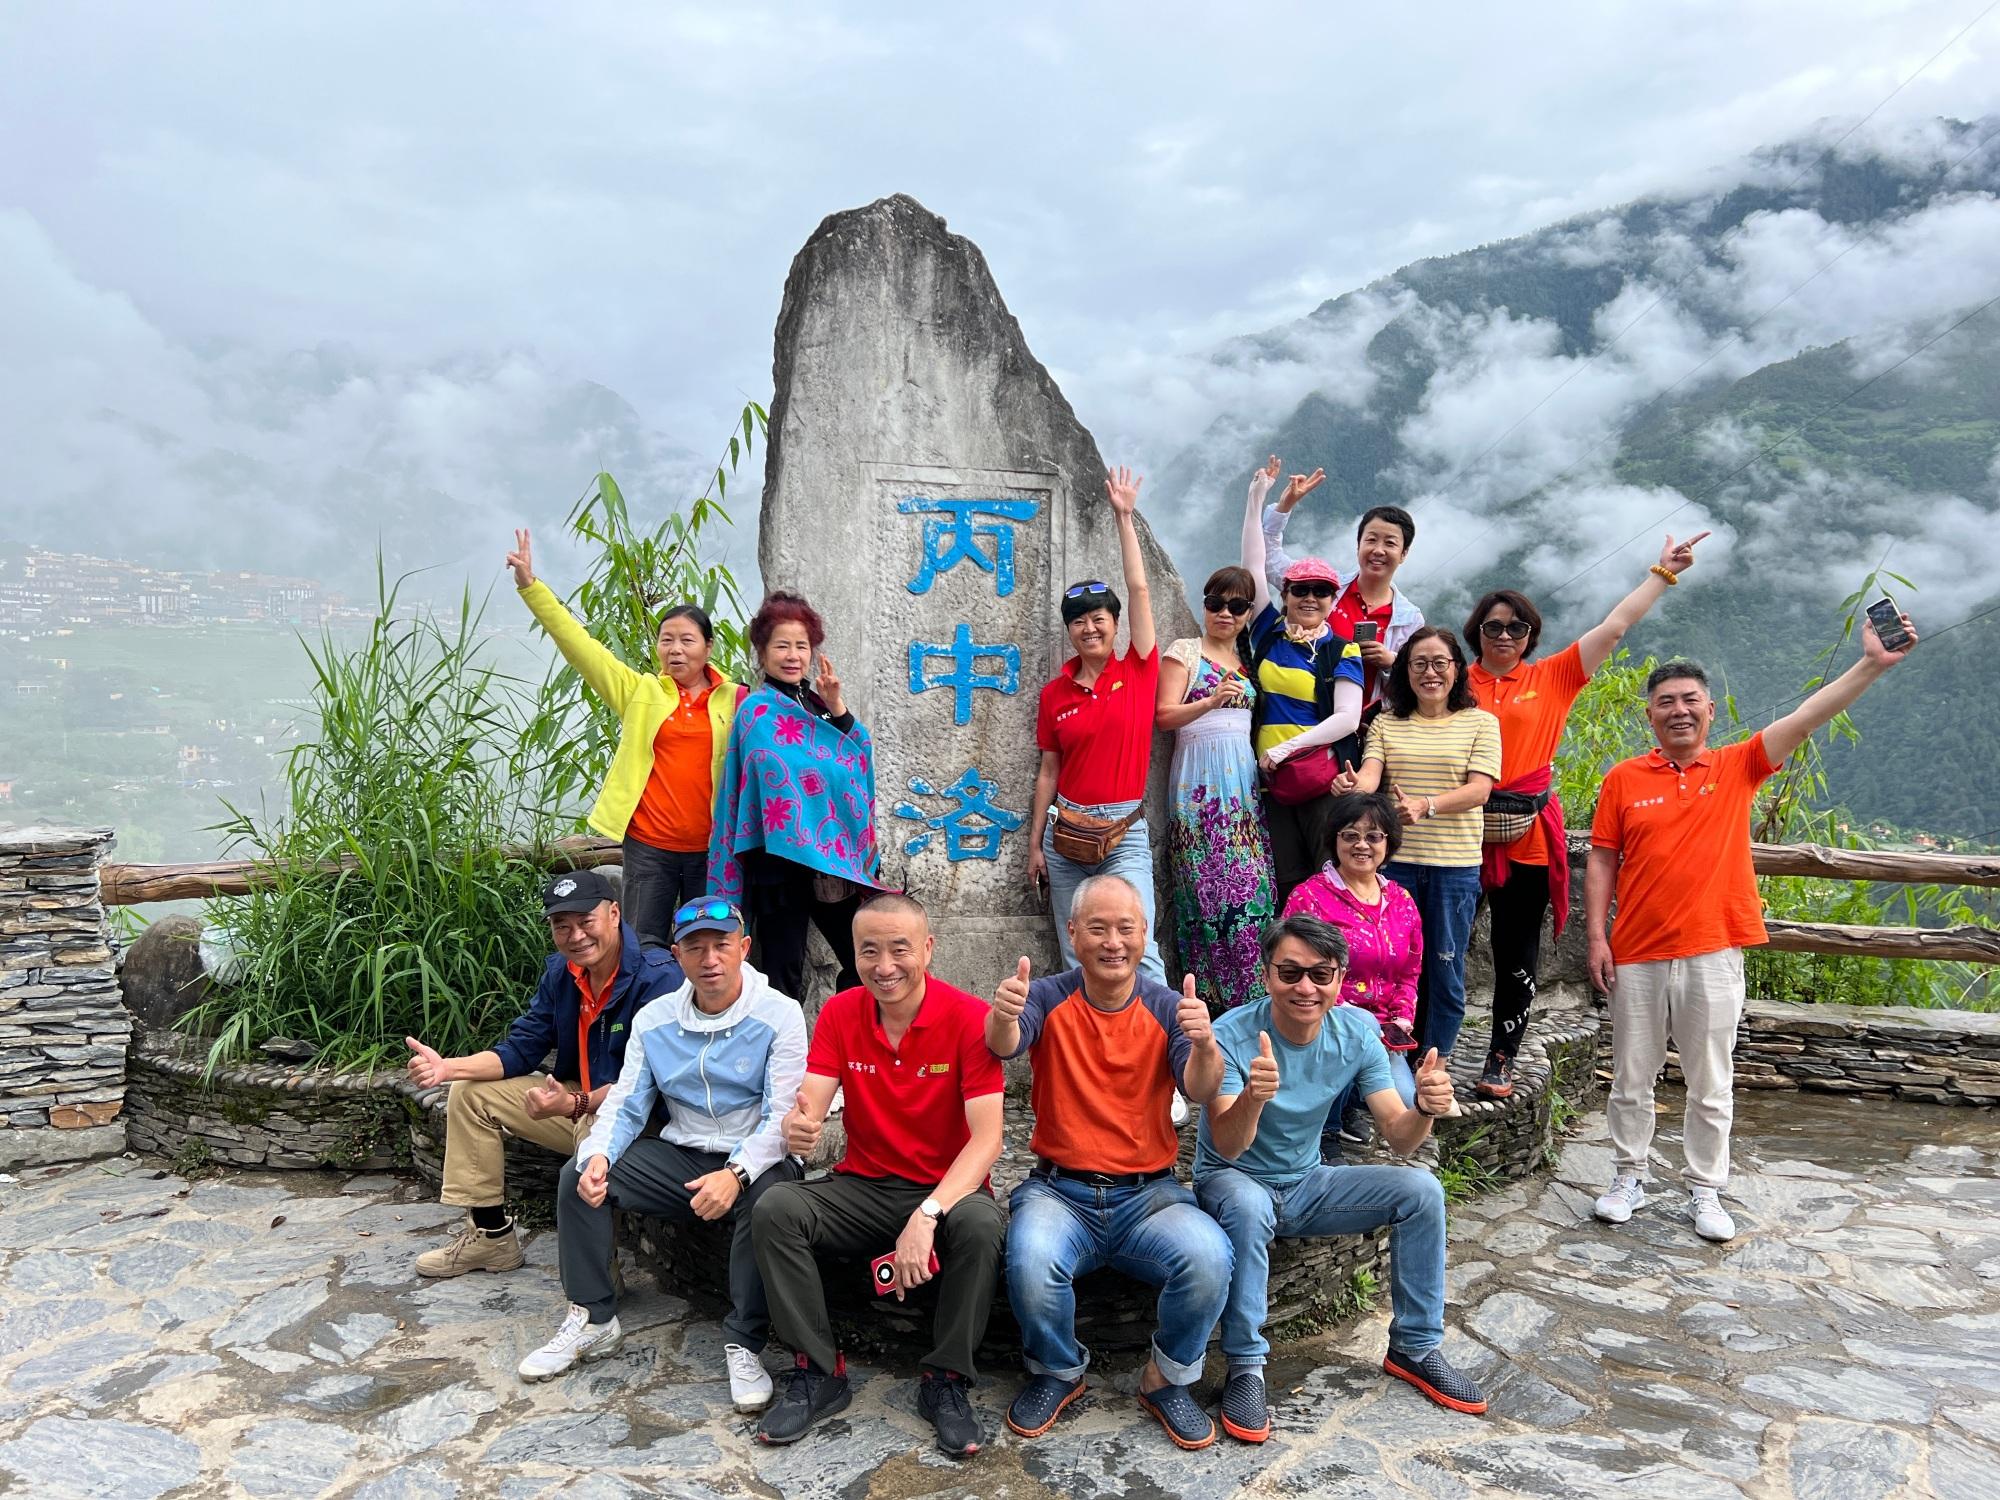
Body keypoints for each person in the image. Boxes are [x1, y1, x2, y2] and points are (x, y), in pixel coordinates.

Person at [1588, 614, 1916, 1244]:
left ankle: (1706, 1189)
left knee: (1711, 1079)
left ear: (1710, 709)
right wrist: (1598, 938)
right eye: (1665, 703)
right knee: (1632, 1075)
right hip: (1635, 950)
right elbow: (1603, 857)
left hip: (1713, 947)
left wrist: (1872, 663)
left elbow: (1811, 714)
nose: (1678, 711)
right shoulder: (1623, 779)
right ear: (1648, 715)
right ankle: (1627, 1175)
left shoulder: (1740, 765)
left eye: (1690, 701)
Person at [1195, 914, 1486, 1440]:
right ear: (1266, 976)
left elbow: (1399, 1136)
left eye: (1320, 974)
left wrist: (1422, 1104)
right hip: (1232, 1180)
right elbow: (1228, 1144)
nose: (1305, 987)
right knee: (1248, 1204)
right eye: (1290, 973)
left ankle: (1415, 1347)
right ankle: (1245, 1364)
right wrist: (1255, 1098)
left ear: (1340, 978)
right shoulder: (1230, 1034)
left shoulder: (1357, 1031)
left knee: (1421, 1190)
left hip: (1306, 1181)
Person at [751, 895, 1006, 1459]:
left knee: (983, 1228)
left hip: (948, 1189)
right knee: (776, 1208)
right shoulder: (843, 1012)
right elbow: (812, 1100)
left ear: (928, 950)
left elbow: (988, 1141)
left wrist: (929, 1212)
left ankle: (945, 1381)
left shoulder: (967, 1018)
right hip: (863, 1185)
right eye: (869, 951)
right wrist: (802, 1125)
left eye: (899, 950)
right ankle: (819, 1372)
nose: (884, 965)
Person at [524, 898, 805, 1406]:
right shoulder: (655, 1019)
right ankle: (594, 1316)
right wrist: (600, 1155)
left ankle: (744, 1341)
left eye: (721, 945)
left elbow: (780, 1119)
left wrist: (736, 1174)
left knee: (770, 1204)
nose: (710, 959)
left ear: (743, 948)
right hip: (683, 1155)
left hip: (761, 1160)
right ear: (677, 956)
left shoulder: (780, 1015)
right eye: (695, 948)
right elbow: (627, 1103)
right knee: (578, 1174)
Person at [988, 875, 1232, 1452]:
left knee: (1209, 1257)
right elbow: (1005, 1046)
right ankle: (1058, 1370)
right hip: (1060, 1192)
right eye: (1097, 928)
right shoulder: (1047, 995)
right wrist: (1002, 1014)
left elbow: (1199, 1090)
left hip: (1148, 1195)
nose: (1113, 941)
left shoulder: (1168, 1006)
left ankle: (1167, 1379)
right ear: (1073, 933)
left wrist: (1205, 1045)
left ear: (1144, 934)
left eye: (1126, 928)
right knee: (1029, 1260)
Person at [1463, 533, 1707, 1100]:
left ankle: (1501, 1056)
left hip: (1525, 831)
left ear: (1531, 636)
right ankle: (1423, 1043)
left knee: (1516, 944)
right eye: (1493, 626)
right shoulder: (1454, 679)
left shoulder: (1553, 677)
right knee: (1440, 938)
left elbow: (1615, 626)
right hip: (1458, 828)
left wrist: (1662, 573)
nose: (1504, 636)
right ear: (1476, 630)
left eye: (1516, 628)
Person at [405, 869, 683, 1277]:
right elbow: (521, 1049)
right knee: (470, 1094)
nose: (576, 936)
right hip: (576, 1099)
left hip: (642, 1117)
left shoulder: (658, 977)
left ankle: (599, 1279)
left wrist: (577, 1103)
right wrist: (447, 1067)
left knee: (596, 1127)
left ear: (614, 914)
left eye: (586, 922)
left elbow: (652, 1084)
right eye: (561, 926)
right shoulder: (562, 973)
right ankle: (491, 1239)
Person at [508, 529, 744, 944]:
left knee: (708, 944)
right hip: (650, 846)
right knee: (644, 944)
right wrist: (532, 588)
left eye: (687, 640)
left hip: (712, 849)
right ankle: (641, 1012)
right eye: (666, 640)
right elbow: (581, 647)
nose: (675, 649)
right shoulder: (642, 693)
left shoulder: (737, 700)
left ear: (708, 647)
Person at [1027, 466, 1167, 985]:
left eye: (1099, 618)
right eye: (1079, 621)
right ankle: (1089, 1059)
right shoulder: (1055, 694)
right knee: (1076, 953)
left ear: (1114, 625)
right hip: (1067, 835)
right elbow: (1048, 772)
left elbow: (1140, 589)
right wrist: (1035, 844)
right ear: (1070, 631)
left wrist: (1124, 517)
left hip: (1123, 831)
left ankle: (1161, 1056)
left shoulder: (1138, 670)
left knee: (1140, 948)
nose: (1090, 627)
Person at [709, 589, 880, 1002]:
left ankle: (845, 1035)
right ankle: (782, 1061)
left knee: (863, 958)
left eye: (801, 646)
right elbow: (765, 777)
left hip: (831, 861)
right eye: (781, 645)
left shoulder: (822, 704)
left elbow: (858, 759)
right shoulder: (756, 710)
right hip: (780, 862)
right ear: (762, 653)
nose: (792, 655)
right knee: (782, 971)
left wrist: (838, 708)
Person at [1339, 628, 1498, 1061]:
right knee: (1388, 967)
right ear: (1404, 672)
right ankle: (1386, 1060)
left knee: (1444, 968)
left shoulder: (1481, 723)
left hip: (1455, 867)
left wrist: (1427, 805)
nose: (1430, 673)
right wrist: (1354, 785)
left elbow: (1479, 790)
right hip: (1397, 867)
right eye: (1418, 664)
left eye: (1439, 663)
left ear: (1457, 670)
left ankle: (1435, 1062)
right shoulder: (1387, 724)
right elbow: (1372, 776)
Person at [1238, 458, 1366, 909]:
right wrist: (1258, 497)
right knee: (1284, 883)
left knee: (1327, 879)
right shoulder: (1268, 631)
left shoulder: (1342, 650)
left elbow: (1347, 719)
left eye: (1321, 591)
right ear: (1285, 593)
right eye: (1299, 589)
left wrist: (1288, 749)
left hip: (1317, 783)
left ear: (1333, 600)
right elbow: (1253, 565)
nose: (1309, 597)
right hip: (1269, 785)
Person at [1155, 561, 1275, 1009]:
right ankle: (1210, 1001)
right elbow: (1164, 716)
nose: (1225, 613)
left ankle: (1256, 998)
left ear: (1247, 613)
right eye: (1215, 603)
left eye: (1236, 605)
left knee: (1251, 892)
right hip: (1199, 790)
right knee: (1206, 895)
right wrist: (1209, 701)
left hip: (1242, 789)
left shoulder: (1249, 661)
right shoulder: (1184, 651)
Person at [1282, 791, 1423, 1126]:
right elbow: (1298, 969)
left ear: (1388, 843)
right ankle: (1326, 1126)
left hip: (1383, 1034)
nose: (1362, 845)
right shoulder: (1309, 898)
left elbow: (1410, 972)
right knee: (1360, 1026)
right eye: (1350, 835)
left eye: (1373, 836)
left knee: (1406, 1105)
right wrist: (1353, 1017)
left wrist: (1400, 1021)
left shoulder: (1402, 901)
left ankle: (1347, 1103)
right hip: (1323, 1016)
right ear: (1335, 840)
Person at [1260, 471, 1424, 712]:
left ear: (1404, 554)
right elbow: (1267, 559)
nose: (1378, 550)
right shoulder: (1323, 587)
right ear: (1358, 545)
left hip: (1371, 732)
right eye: (1371, 540)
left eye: (1390, 543)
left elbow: (1422, 681)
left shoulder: (1409, 619)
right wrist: (1284, 507)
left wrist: (1391, 662)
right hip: (1307, 721)